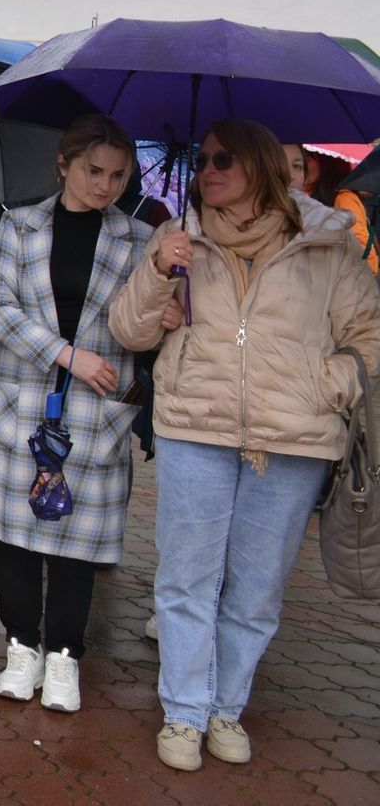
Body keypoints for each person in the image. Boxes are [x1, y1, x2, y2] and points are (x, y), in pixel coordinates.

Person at [111, 119, 380, 772]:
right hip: (194, 427)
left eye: (225, 158)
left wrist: (329, 382)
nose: (210, 169)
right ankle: (183, 713)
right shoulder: (182, 237)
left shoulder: (327, 242)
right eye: (204, 159)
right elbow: (129, 329)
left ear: (261, 165)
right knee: (186, 580)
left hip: (293, 439)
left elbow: (368, 334)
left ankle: (225, 707)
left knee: (256, 589)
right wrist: (157, 268)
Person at [0, 115, 152, 713]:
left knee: (79, 541)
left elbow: (142, 324)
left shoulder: (139, 238)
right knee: (8, 531)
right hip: (20, 397)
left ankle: (65, 654)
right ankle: (22, 645)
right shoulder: (19, 225)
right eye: (94, 171)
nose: (106, 185)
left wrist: (162, 306)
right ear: (64, 165)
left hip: (96, 410)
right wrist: (65, 353)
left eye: (118, 175)